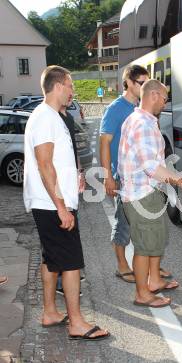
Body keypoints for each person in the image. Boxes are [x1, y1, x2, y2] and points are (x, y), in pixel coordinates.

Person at [23, 65, 109, 340]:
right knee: (71, 263)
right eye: (70, 86)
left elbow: (57, 162)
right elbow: (45, 164)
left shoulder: (51, 116)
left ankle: (50, 311)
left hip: (50, 202)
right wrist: (61, 206)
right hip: (51, 205)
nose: (73, 91)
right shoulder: (45, 117)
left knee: (53, 260)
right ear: (58, 86)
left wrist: (75, 178)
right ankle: (77, 323)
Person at [118, 79, 182, 308]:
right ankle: (143, 293)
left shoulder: (138, 119)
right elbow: (151, 166)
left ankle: (154, 280)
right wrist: (181, 180)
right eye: (164, 97)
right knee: (145, 246)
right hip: (142, 194)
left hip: (145, 191)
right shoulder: (143, 125)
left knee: (155, 239)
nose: (165, 102)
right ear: (153, 95)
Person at [100, 65, 149, 283]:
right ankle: (122, 265)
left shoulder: (140, 107)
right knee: (123, 221)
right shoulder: (115, 108)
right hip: (121, 175)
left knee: (143, 221)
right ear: (128, 82)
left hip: (140, 175)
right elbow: (104, 142)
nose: (145, 87)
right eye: (142, 83)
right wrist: (107, 177)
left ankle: (150, 266)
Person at [55, 102, 86, 296]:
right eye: (68, 86)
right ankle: (61, 279)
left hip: (70, 181)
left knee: (71, 230)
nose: (71, 91)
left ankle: (69, 273)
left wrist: (80, 170)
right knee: (60, 235)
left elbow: (72, 148)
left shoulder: (67, 117)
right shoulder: (52, 118)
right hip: (59, 187)